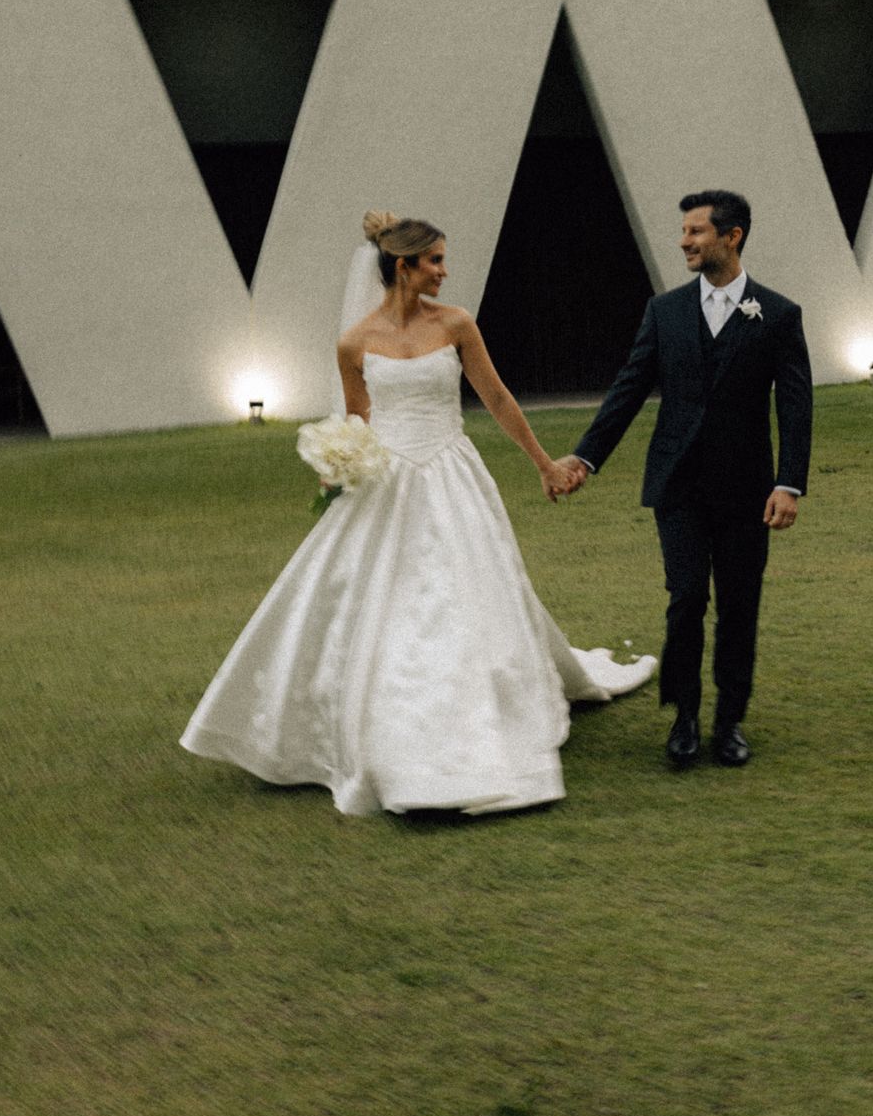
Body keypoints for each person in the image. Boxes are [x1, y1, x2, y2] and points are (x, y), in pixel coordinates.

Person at [181, 212, 654, 817]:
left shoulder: (457, 325)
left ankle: (476, 714)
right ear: (402, 267)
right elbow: (359, 418)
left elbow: (498, 398)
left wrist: (541, 461)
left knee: (465, 590)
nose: (444, 271)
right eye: (434, 261)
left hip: (452, 472)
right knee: (386, 600)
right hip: (388, 481)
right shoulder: (354, 342)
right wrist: (340, 465)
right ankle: (394, 723)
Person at [558, 190, 811, 769]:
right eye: (685, 232)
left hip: (750, 491)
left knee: (740, 605)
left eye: (696, 231)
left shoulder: (779, 315)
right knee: (687, 597)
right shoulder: (664, 311)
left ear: (732, 236)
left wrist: (788, 483)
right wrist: (585, 458)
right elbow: (628, 390)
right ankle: (685, 715)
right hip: (678, 487)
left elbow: (796, 408)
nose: (684, 242)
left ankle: (730, 721)